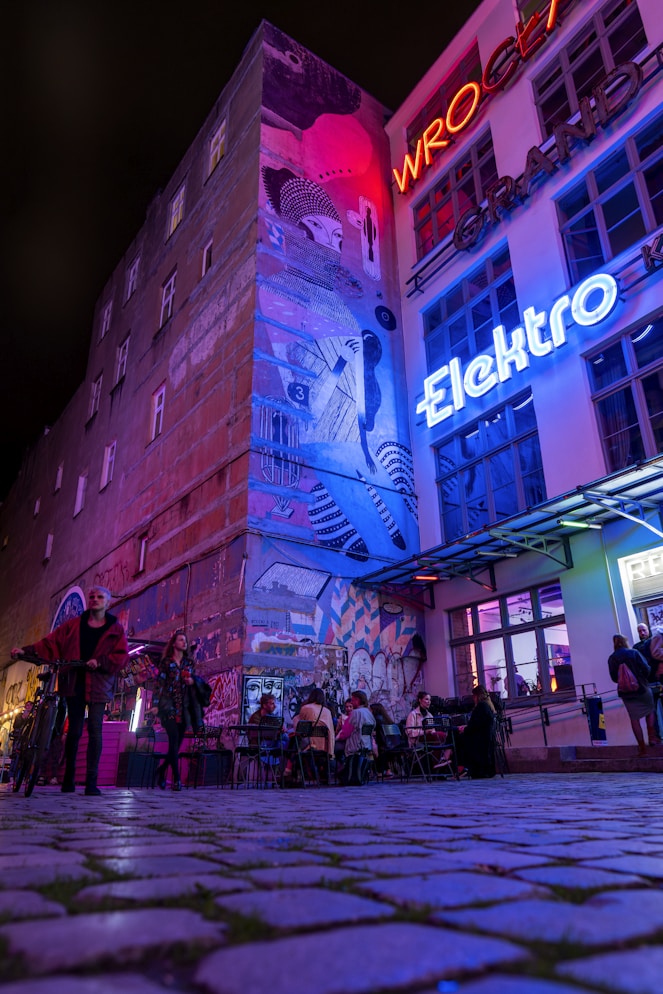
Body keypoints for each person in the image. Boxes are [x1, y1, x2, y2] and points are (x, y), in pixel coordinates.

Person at [11, 585, 128, 795]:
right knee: (73, 731)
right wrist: (25, 651)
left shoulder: (115, 629)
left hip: (99, 685)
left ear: (108, 602)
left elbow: (121, 656)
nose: (94, 600)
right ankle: (68, 780)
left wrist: (99, 662)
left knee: (95, 729)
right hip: (74, 682)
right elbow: (51, 642)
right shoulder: (74, 625)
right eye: (92, 596)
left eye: (100, 597)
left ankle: (91, 782)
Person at [152, 631, 202, 791]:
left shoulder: (189, 663)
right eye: (181, 640)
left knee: (176, 745)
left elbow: (195, 681)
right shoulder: (166, 663)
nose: (184, 642)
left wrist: (191, 680)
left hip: (184, 707)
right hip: (168, 707)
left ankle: (160, 771)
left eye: (185, 640)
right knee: (173, 740)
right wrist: (155, 704)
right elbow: (159, 684)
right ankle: (177, 779)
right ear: (174, 643)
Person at [608, 634, 658, 755]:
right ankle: (651, 737)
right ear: (625, 642)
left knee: (634, 719)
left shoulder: (612, 658)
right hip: (641, 688)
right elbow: (646, 668)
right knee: (650, 710)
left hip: (626, 693)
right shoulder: (634, 652)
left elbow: (614, 678)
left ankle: (642, 747)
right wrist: (641, 678)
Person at [453, 685, 497, 778]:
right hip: (485, 737)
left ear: (477, 696)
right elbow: (478, 723)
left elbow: (475, 725)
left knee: (455, 737)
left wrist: (465, 729)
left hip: (479, 738)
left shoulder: (481, 706)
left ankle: (458, 765)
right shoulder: (488, 706)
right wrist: (466, 727)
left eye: (474, 696)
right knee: (457, 735)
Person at [336, 690, 375, 783]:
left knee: (334, 749)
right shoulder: (369, 712)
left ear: (357, 700)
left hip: (354, 744)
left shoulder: (355, 713)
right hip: (366, 743)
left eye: (353, 700)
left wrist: (337, 738)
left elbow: (346, 732)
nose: (352, 703)